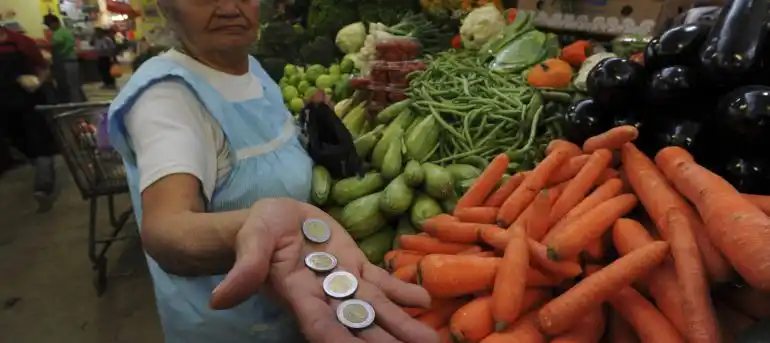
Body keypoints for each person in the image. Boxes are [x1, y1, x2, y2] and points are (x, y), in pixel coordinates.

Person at [106, 1, 440, 343]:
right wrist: (257, 228)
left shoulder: (249, 67)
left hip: (301, 304)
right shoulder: (166, 100)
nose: (227, 7)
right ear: (166, 7)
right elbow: (167, 229)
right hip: (234, 329)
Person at [0, 24, 58, 211]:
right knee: (31, 143)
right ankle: (42, 180)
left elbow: (41, 65)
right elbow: (42, 64)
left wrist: (38, 81)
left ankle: (43, 185)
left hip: (19, 104)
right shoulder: (20, 41)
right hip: (17, 104)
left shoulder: (20, 42)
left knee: (33, 142)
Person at [43, 14, 86, 103]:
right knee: (74, 84)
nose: (48, 27)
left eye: (48, 25)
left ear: (54, 23)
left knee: (70, 85)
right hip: (71, 60)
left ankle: (75, 105)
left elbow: (54, 44)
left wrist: (36, 45)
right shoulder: (66, 31)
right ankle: (81, 102)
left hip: (66, 61)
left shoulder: (59, 33)